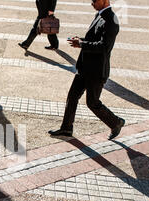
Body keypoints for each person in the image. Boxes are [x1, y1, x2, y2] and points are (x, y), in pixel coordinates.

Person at [48, 0, 125, 140]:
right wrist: (81, 40)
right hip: (85, 67)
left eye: (94, 0)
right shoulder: (99, 15)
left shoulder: (112, 20)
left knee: (92, 103)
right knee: (72, 97)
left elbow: (104, 47)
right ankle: (66, 129)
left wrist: (82, 44)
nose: (92, 3)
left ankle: (116, 122)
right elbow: (93, 38)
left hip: (96, 71)